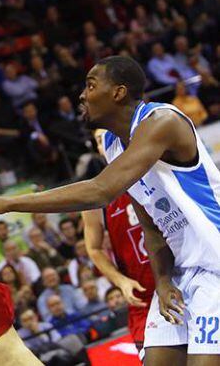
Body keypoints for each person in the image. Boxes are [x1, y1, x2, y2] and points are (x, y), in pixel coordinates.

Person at [0, 55, 220, 363]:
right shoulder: (117, 147)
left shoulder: (162, 121)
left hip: (215, 266)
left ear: (118, 92)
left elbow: (100, 190)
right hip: (181, 274)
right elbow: (152, 227)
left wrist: (5, 202)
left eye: (90, 85)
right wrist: (162, 279)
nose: (81, 95)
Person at [84, 129, 155, 354]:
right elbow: (94, 249)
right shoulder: (94, 193)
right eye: (99, 140)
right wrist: (120, 281)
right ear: (98, 148)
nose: (105, 141)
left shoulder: (154, 168)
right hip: (143, 299)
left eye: (110, 134)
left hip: (183, 282)